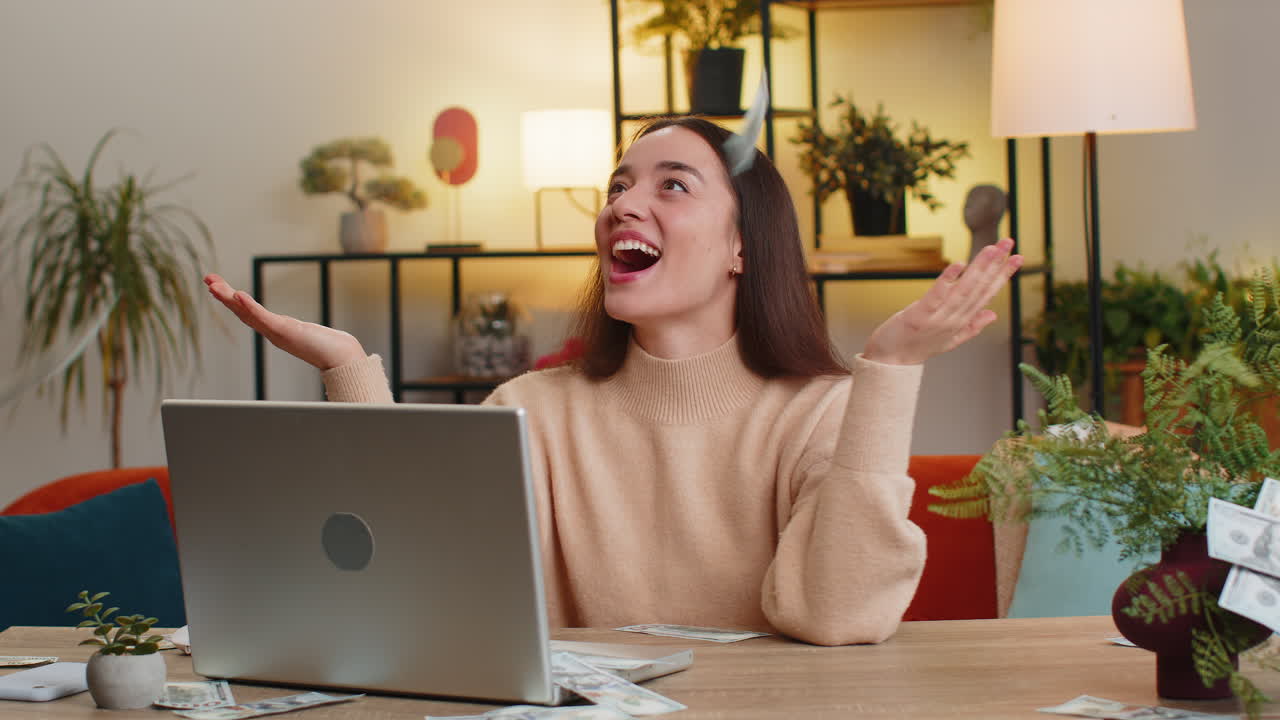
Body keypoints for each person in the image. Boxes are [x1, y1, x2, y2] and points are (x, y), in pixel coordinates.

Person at [206, 117, 1023, 646]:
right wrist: (348, 367)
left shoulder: (821, 413)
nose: (625, 204)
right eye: (619, 186)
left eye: (672, 183)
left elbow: (840, 615)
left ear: (745, 245)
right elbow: (418, 584)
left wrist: (888, 371)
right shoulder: (530, 411)